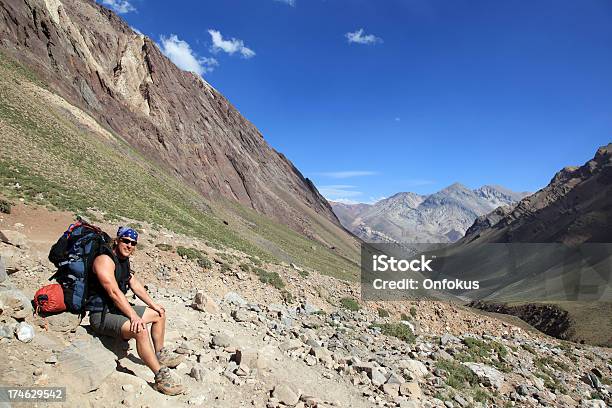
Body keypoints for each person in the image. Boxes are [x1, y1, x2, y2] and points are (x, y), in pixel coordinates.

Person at [87, 226, 184, 395]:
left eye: (133, 243)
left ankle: (160, 353)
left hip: (117, 310)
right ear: (117, 240)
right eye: (126, 241)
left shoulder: (123, 261)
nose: (129, 245)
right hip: (101, 315)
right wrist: (133, 315)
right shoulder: (104, 260)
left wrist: (154, 305)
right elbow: (113, 292)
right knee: (139, 329)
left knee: (159, 314)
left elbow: (135, 285)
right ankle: (160, 376)